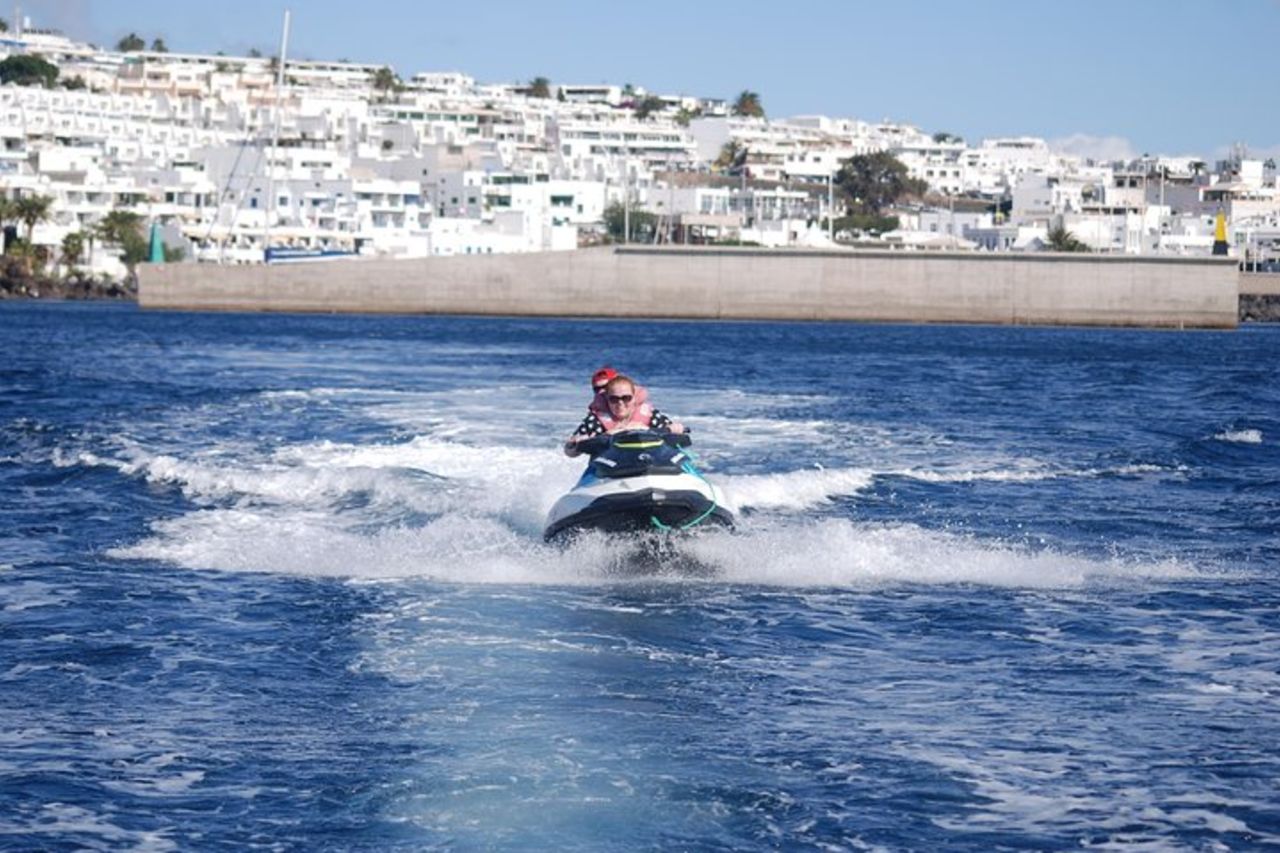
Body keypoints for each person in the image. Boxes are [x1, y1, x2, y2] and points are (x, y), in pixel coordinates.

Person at [564, 374, 684, 456]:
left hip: (650, 464)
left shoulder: (651, 416)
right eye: (614, 399)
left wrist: (675, 429)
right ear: (606, 399)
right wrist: (576, 445)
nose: (620, 403)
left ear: (634, 398)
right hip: (608, 471)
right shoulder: (595, 422)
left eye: (626, 398)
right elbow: (569, 451)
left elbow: (678, 433)